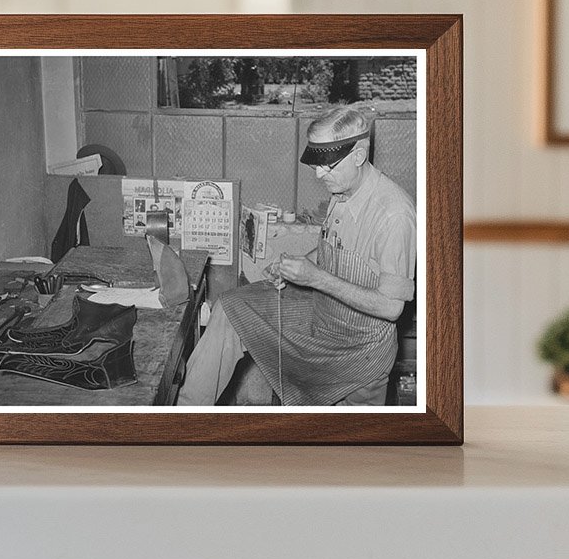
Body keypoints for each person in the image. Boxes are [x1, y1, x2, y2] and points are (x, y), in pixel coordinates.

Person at [175, 108, 416, 407]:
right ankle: (182, 415)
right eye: (316, 165)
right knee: (229, 309)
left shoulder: (394, 215)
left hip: (359, 349)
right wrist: (295, 267)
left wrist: (316, 278)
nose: (318, 174)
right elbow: (332, 248)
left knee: (347, 449)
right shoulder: (344, 189)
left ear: (358, 155)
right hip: (322, 316)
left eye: (327, 166)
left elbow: (391, 307)